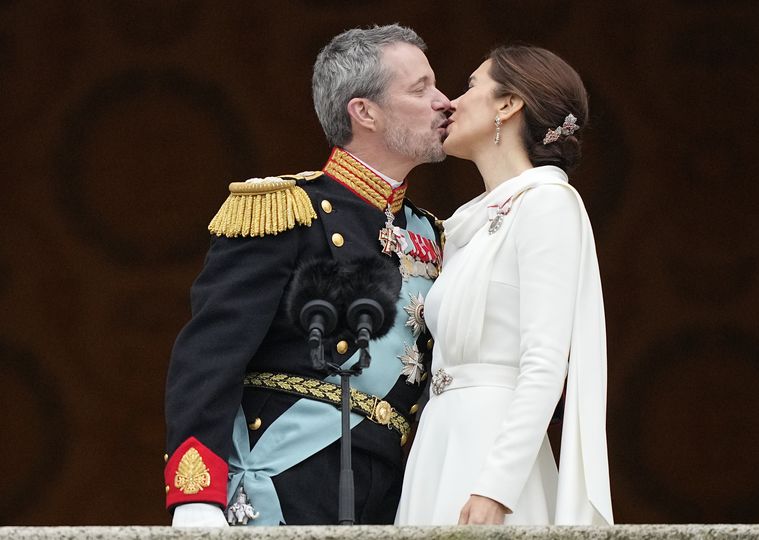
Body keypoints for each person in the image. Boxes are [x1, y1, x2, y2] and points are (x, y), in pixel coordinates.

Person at [163, 24, 451, 526]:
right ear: (365, 112)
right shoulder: (286, 210)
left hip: (391, 492)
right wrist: (196, 495)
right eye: (420, 88)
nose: (444, 102)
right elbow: (208, 357)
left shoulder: (431, 231)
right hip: (283, 480)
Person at [394, 45, 613, 525]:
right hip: (438, 440)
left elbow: (544, 364)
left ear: (508, 105)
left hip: (491, 451)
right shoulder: (463, 226)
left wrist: (496, 488)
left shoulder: (548, 204)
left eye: (471, 85)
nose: (451, 101)